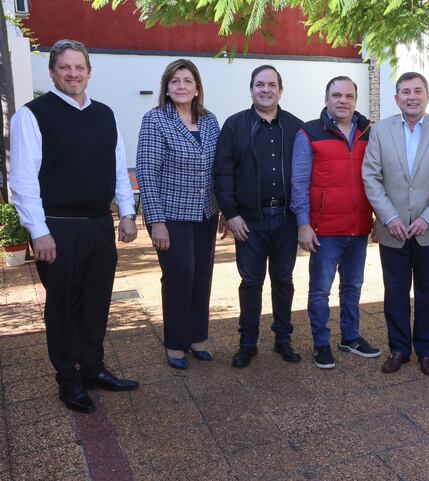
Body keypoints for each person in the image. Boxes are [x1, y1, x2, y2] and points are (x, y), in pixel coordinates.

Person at [9, 39, 139, 413]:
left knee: (97, 300)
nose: (72, 74)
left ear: (89, 72)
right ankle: (68, 379)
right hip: (58, 227)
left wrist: (127, 213)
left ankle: (93, 369)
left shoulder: (105, 114)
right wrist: (38, 231)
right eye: (64, 67)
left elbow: (118, 167)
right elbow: (23, 180)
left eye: (79, 67)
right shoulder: (32, 115)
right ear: (52, 72)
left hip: (99, 223)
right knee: (65, 307)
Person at [362, 72, 429, 376]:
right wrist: (389, 217)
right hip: (393, 231)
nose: (412, 96)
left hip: (428, 231)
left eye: (418, 91)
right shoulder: (380, 131)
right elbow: (371, 177)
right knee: (395, 292)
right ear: (396, 98)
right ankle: (399, 349)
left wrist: (428, 218)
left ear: (428, 95)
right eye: (405, 91)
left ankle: (427, 351)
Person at [214, 65, 304, 368]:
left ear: (281, 90)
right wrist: (231, 213)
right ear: (251, 89)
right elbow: (223, 172)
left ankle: (283, 339)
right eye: (259, 85)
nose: (266, 90)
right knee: (251, 281)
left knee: (283, 280)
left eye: (271, 85)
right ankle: (247, 342)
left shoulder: (295, 127)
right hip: (249, 221)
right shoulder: (235, 125)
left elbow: (305, 174)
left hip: (286, 219)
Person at [291, 76, 381, 369]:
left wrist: (378, 218)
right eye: (336, 95)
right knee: (320, 290)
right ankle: (320, 343)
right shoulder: (309, 133)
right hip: (323, 230)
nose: (343, 101)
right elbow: (299, 182)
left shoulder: (369, 132)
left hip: (358, 227)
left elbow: (378, 179)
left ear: (356, 100)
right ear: (326, 99)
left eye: (348, 96)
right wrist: (303, 224)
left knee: (353, 286)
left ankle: (350, 337)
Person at [136, 59, 220, 370]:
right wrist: (156, 222)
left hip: (206, 213)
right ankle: (175, 343)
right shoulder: (155, 120)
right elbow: (146, 172)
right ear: (167, 89)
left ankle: (196, 338)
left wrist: (224, 207)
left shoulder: (210, 121)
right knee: (179, 274)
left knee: (202, 275)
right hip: (171, 215)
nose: (181, 86)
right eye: (175, 81)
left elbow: (219, 166)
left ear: (197, 88)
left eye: (187, 80)